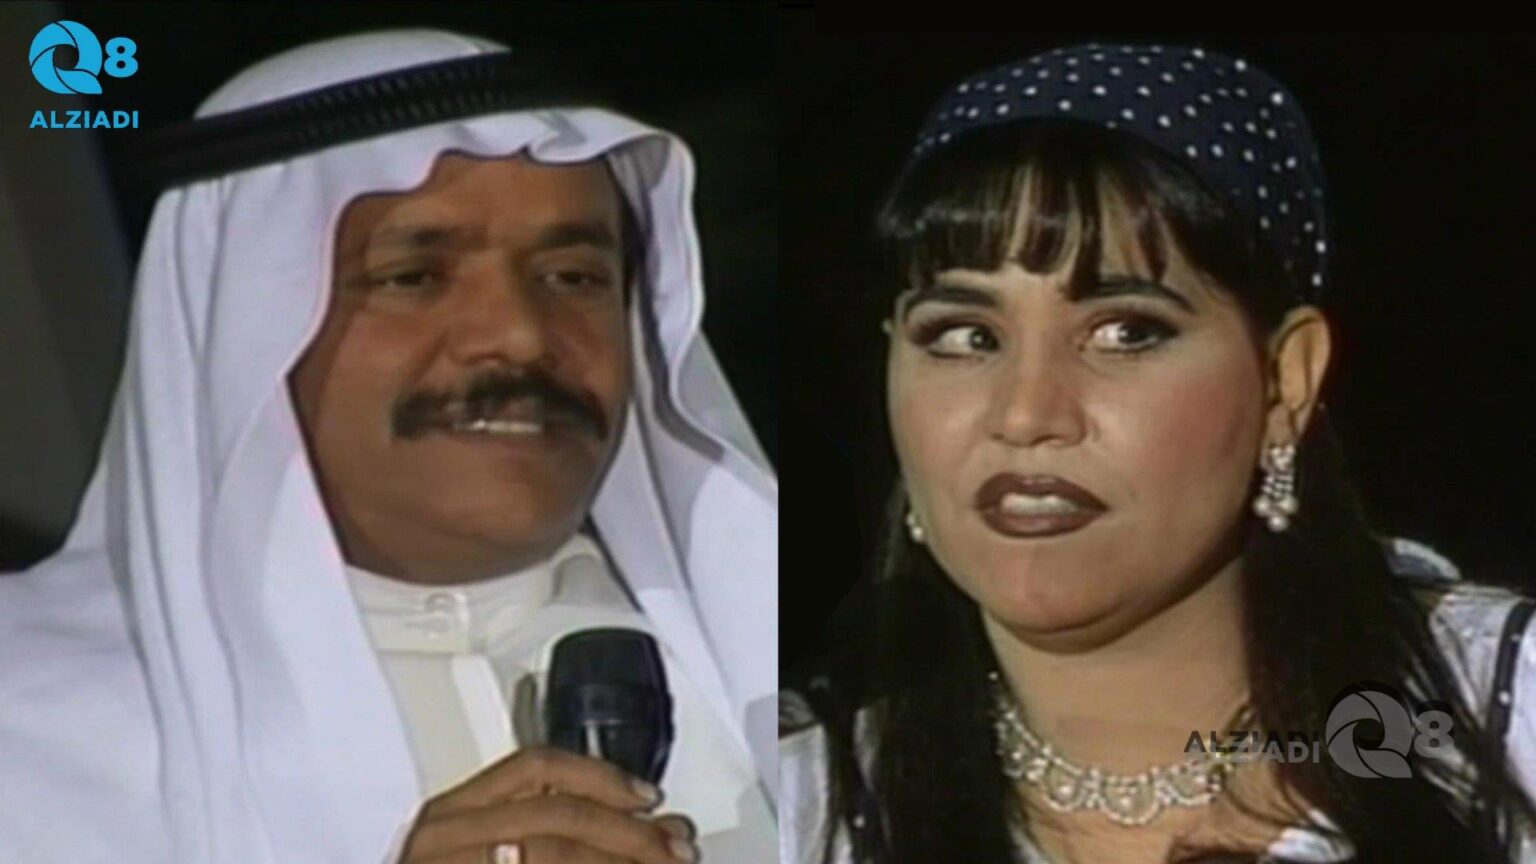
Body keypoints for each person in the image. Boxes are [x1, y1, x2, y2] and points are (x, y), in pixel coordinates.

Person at [0, 30, 776, 864]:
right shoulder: (26, 721)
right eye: (413, 278)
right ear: (241, 329)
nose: (520, 337)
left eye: (573, 278)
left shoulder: (786, 678)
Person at [781, 43, 1536, 864]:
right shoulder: (791, 810)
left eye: (1126, 332)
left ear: (1285, 381)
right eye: (965, 336)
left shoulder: (1497, 717)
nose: (1026, 414)